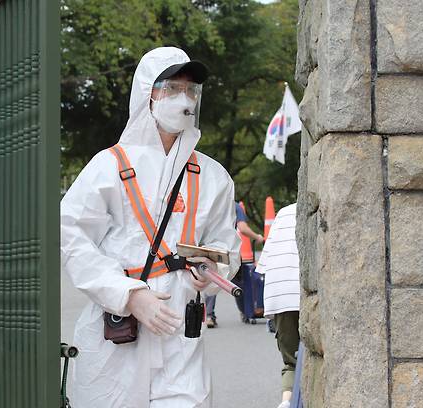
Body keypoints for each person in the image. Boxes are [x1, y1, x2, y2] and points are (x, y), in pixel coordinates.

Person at [61, 46, 241, 408]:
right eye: (172, 88)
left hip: (181, 333)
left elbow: (226, 243)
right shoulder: (108, 166)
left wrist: (215, 270)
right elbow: (72, 237)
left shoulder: (212, 176)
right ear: (148, 93)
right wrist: (128, 295)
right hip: (118, 335)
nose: (184, 98)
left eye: (190, 90)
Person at [256, 203, 299, 408]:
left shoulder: (283, 213)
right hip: (304, 291)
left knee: (291, 361)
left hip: (280, 294)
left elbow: (263, 265)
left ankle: (286, 402)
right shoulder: (325, 205)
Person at [204, 201, 263, 328]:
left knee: (213, 279)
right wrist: (257, 237)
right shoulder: (234, 206)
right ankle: (245, 311)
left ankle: (209, 315)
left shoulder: (210, 203)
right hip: (230, 250)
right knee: (239, 280)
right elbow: (242, 228)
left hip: (211, 247)